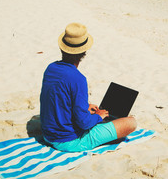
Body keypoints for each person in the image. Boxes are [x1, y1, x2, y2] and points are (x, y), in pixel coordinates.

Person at [40, 22, 137, 152]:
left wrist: (86, 106)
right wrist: (98, 116)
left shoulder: (51, 68)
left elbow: (59, 98)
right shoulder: (78, 79)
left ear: (62, 48)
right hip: (68, 142)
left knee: (94, 111)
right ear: (84, 52)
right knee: (131, 123)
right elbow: (83, 123)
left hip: (48, 135)